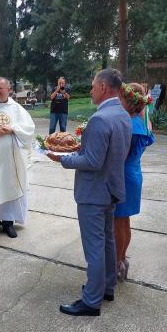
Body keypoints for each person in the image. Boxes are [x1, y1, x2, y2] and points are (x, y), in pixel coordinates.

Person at [47, 68, 132, 316]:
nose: (91, 90)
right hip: (112, 189)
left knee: (94, 247)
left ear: (104, 87)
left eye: (94, 86)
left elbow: (92, 161)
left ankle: (91, 301)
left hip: (94, 193)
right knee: (107, 242)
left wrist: (61, 158)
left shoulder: (100, 119)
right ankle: (106, 287)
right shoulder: (123, 115)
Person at [0, 77, 35, 238]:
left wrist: (13, 128)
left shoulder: (17, 109)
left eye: (0, 88)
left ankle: (9, 223)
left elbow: (29, 128)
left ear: (8, 89)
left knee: (10, 186)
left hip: (11, 159)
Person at [115, 83, 155, 281]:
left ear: (127, 99)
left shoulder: (128, 125)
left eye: (120, 97)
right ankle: (122, 259)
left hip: (122, 176)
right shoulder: (143, 122)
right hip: (134, 173)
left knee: (117, 223)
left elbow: (118, 156)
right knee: (124, 222)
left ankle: (116, 263)